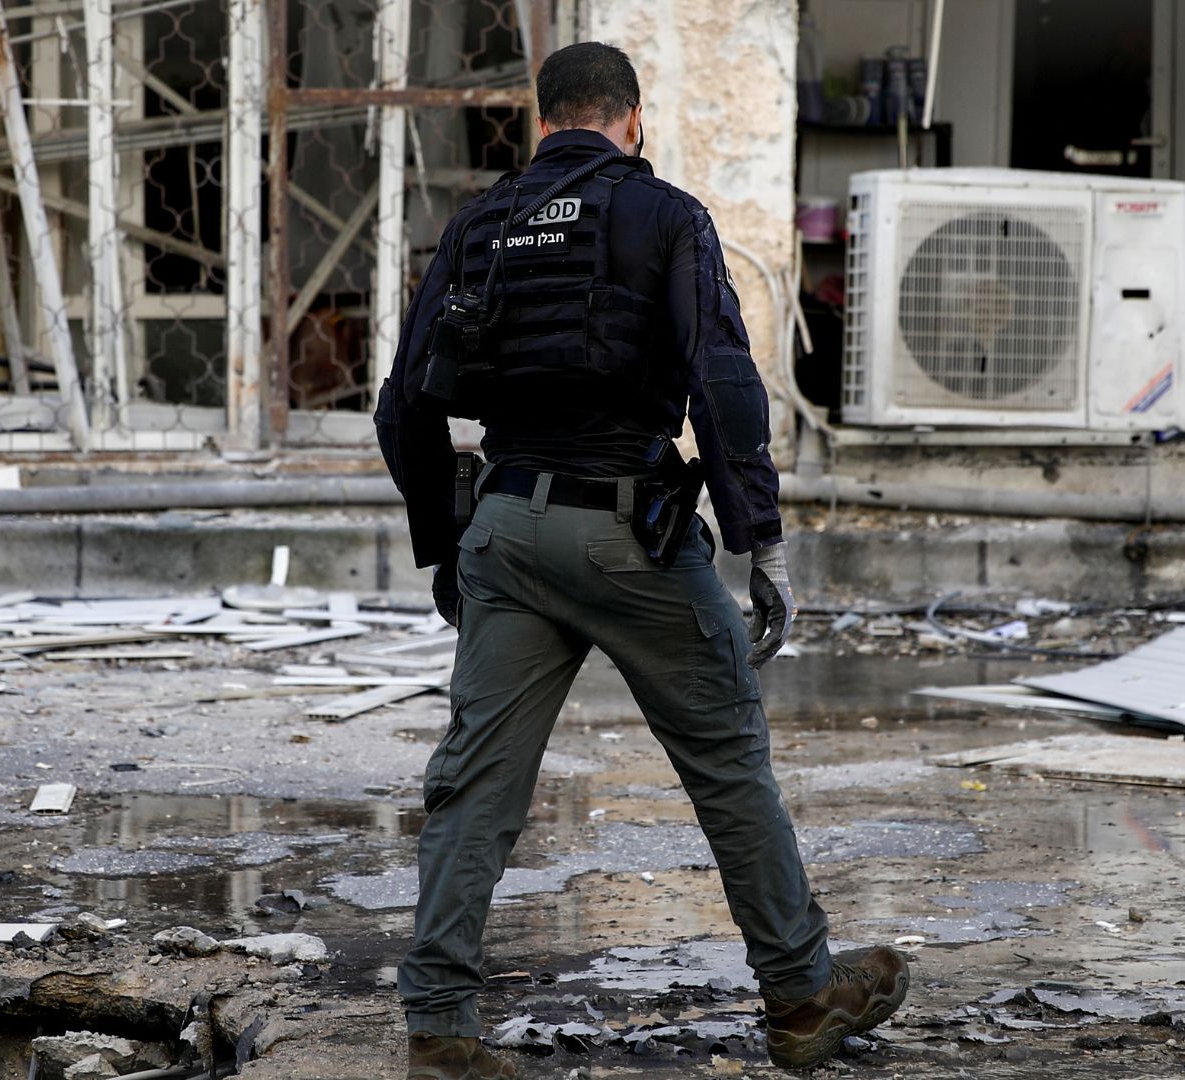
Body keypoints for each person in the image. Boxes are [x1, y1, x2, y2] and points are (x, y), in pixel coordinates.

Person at [374, 42, 909, 1079]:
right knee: (728, 765)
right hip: (630, 532)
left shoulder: (479, 224)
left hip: (507, 527)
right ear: (633, 122)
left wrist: (448, 548)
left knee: (475, 788)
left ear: (544, 124)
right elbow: (724, 387)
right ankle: (801, 998)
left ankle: (439, 1030)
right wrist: (762, 543)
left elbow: (407, 405)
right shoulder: (663, 215)